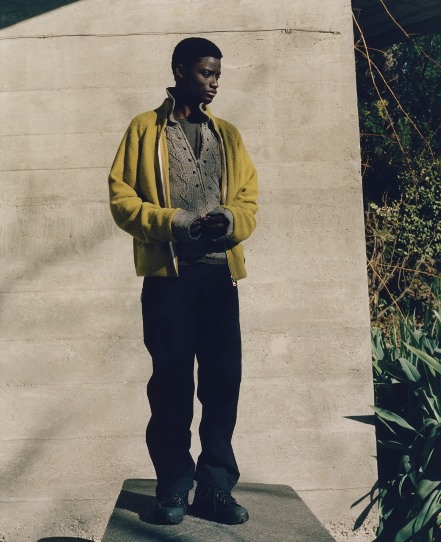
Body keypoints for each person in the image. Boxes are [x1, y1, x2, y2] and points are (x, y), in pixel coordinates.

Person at [108, 37, 258, 526]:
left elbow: (248, 199)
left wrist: (229, 220)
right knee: (171, 384)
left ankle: (215, 488)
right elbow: (122, 200)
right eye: (205, 73)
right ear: (179, 70)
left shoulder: (227, 135)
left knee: (223, 382)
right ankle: (173, 486)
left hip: (219, 276)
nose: (214, 83)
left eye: (218, 75)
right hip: (168, 280)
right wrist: (172, 222)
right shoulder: (144, 129)